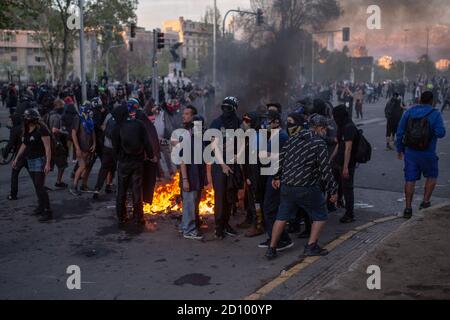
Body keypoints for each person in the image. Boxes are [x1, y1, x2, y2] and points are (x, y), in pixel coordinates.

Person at [266, 123, 338, 260]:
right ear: (320, 128)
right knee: (321, 214)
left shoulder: (292, 139)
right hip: (307, 186)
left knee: (281, 216)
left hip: (287, 185)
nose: (325, 132)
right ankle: (311, 247)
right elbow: (325, 169)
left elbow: (281, 158)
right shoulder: (319, 143)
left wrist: (276, 176)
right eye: (324, 129)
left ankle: (272, 248)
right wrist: (333, 190)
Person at [396, 91, 446, 219]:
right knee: (432, 176)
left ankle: (408, 208)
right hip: (428, 152)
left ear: (419, 100)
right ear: (432, 101)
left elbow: (400, 132)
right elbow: (441, 133)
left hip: (411, 152)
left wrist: (400, 149)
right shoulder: (435, 114)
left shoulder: (409, 112)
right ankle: (425, 202)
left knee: (410, 179)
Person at [258, 112, 297, 250]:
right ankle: (273, 237)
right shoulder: (274, 135)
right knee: (269, 207)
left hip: (276, 176)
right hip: (271, 174)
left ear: (276, 122)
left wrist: (261, 153)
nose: (265, 124)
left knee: (270, 208)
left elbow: (278, 156)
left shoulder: (281, 136)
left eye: (268, 122)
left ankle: (282, 239)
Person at [112, 100, 154, 226]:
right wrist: (150, 155)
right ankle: (138, 217)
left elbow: (115, 147)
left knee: (122, 190)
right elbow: (147, 142)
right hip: (137, 162)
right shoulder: (139, 124)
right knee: (137, 190)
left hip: (123, 163)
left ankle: (121, 216)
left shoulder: (117, 127)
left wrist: (118, 160)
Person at [209, 97, 243, 239]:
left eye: (229, 108)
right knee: (220, 196)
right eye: (224, 107)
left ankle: (226, 224)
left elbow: (242, 141)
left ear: (235, 109)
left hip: (233, 163)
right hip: (219, 165)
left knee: (230, 196)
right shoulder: (216, 123)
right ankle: (218, 227)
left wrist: (238, 156)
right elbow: (213, 146)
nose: (226, 110)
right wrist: (222, 165)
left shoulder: (238, 122)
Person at [12, 109, 53, 222]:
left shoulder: (42, 129)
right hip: (30, 160)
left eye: (26, 118)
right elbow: (24, 144)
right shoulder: (27, 128)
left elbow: (48, 148)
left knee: (40, 186)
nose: (24, 120)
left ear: (30, 119)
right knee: (37, 186)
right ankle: (41, 206)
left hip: (40, 160)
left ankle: (48, 211)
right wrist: (16, 158)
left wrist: (48, 163)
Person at [179, 106, 207, 240]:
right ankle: (189, 230)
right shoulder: (188, 138)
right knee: (190, 202)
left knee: (192, 203)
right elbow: (182, 160)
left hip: (196, 176)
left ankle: (185, 226)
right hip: (189, 177)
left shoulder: (198, 138)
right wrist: (185, 180)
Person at [331, 105, 359, 224]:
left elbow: (348, 148)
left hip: (347, 163)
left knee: (348, 188)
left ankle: (349, 214)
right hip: (338, 161)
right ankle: (337, 202)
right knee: (337, 185)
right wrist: (331, 158)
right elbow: (339, 144)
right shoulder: (341, 125)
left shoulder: (349, 127)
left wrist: (346, 167)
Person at [70, 103, 96, 196]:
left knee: (85, 166)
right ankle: (74, 186)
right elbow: (73, 134)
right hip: (80, 147)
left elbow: (92, 131)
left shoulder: (89, 119)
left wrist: (94, 143)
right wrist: (77, 148)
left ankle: (82, 186)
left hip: (88, 147)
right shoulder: (78, 118)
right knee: (82, 166)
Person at [47, 99, 69, 188]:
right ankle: (58, 181)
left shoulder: (48, 114)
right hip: (57, 144)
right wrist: (66, 132)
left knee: (48, 164)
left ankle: (41, 183)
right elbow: (54, 130)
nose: (64, 107)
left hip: (49, 143)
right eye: (62, 105)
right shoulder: (56, 116)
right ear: (58, 106)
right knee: (62, 164)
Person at [6, 113, 25, 200]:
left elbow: (10, 144)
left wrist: (5, 154)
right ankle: (41, 190)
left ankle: (13, 195)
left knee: (14, 175)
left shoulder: (14, 129)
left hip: (19, 156)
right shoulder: (24, 126)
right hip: (29, 154)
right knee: (34, 175)